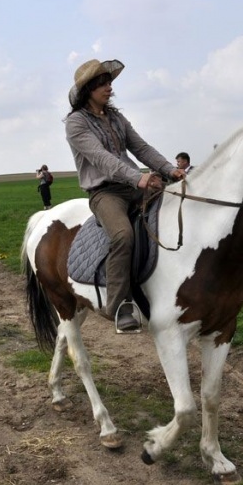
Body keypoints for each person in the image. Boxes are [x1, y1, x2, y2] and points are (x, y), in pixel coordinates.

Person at [65, 58, 186, 333]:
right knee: (122, 235)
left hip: (137, 185)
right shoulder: (75, 123)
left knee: (177, 211)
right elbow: (101, 158)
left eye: (109, 82)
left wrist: (169, 170)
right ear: (89, 90)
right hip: (106, 192)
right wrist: (138, 177)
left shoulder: (116, 117)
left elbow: (141, 148)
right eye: (103, 84)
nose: (110, 87)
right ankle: (119, 305)